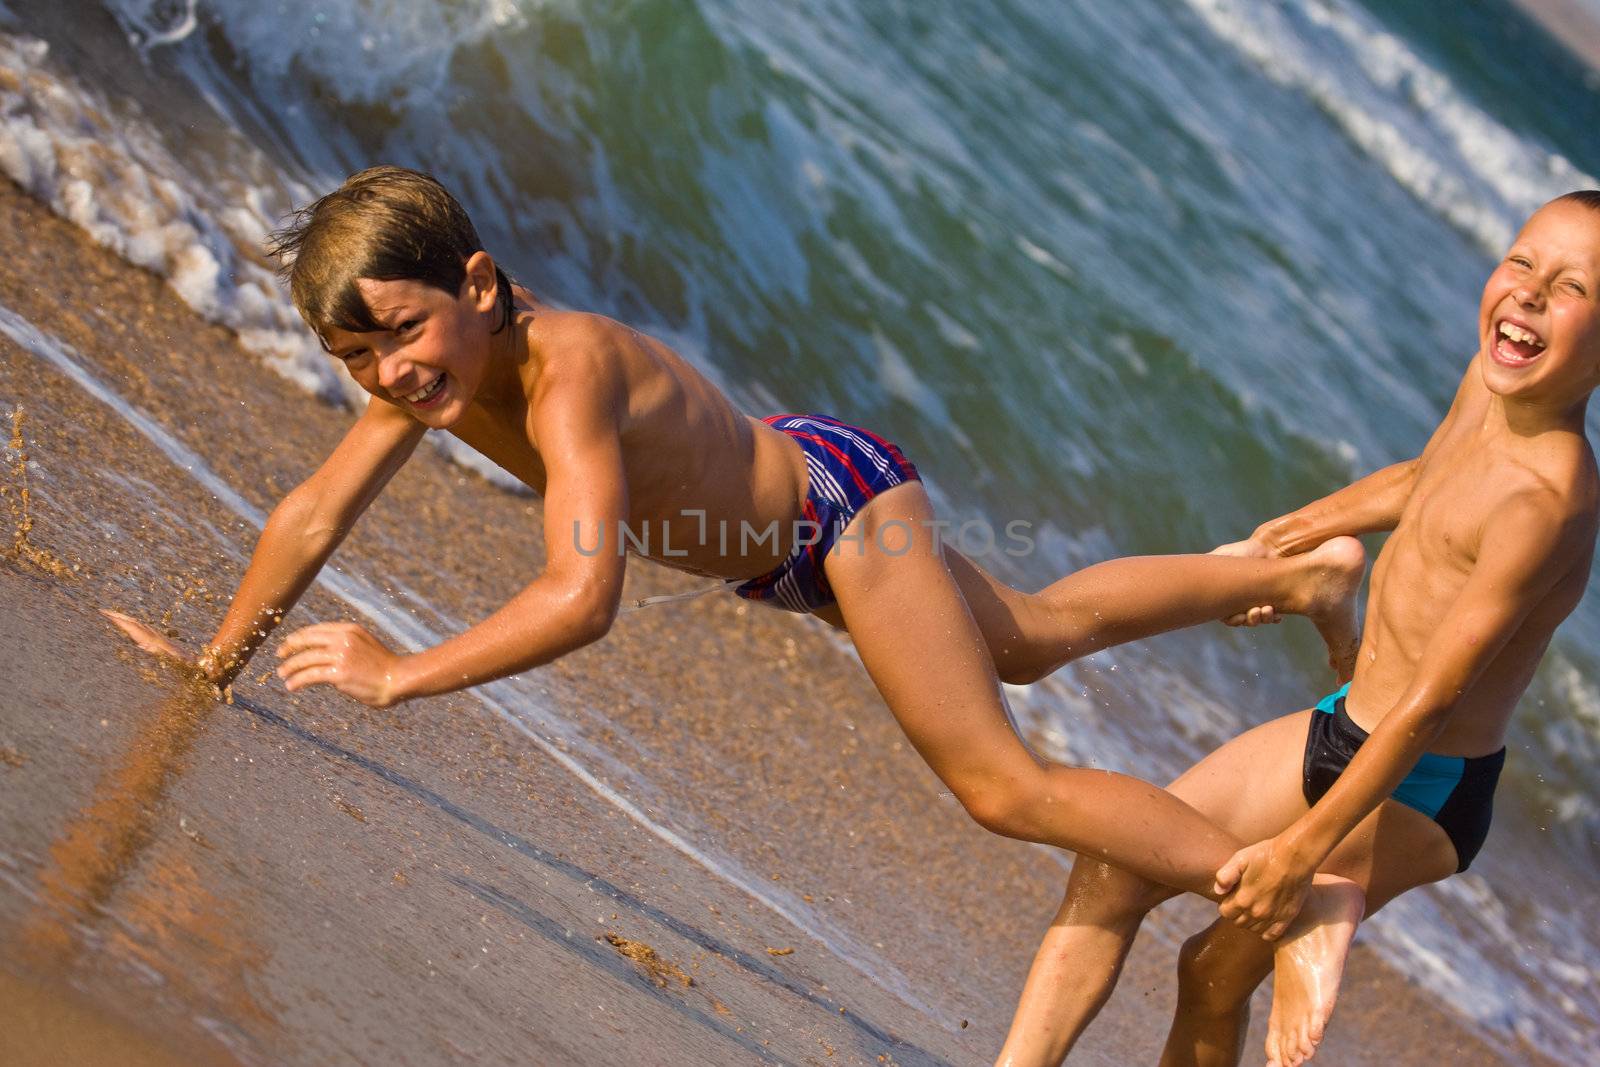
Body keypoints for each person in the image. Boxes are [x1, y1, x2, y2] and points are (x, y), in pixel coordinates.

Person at [104, 165, 1370, 1029]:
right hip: (795, 522)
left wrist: (401, 670)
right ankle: (1300, 571)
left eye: (399, 331)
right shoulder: (427, 377)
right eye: (356, 354)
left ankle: (1287, 884)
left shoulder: (566, 373)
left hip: (834, 518)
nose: (387, 369)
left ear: (478, 285)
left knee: (1001, 784)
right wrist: (217, 662)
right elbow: (318, 508)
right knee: (1036, 634)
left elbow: (579, 593)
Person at [994, 191, 1600, 1067]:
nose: (1529, 293)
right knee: (1113, 870)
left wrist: (1299, 855)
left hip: (1417, 779)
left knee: (1212, 966)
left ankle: (1330, 896)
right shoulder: (1489, 382)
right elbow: (1425, 480)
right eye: (1520, 261)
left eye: (1571, 286)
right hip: (1350, 720)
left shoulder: (1546, 505)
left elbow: (1431, 703)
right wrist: (1287, 537)